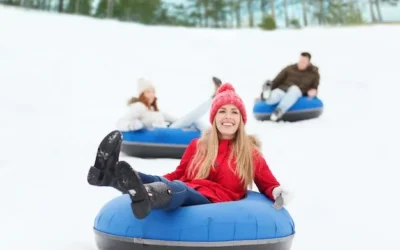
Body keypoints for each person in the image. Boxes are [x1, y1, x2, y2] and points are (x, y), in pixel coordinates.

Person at [87, 83, 292, 219]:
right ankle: (108, 175)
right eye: (222, 111)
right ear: (214, 118)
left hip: (215, 201)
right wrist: (153, 179)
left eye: (234, 112)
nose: (227, 117)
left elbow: (268, 183)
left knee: (180, 189)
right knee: (170, 183)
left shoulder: (250, 153)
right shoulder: (198, 145)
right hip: (187, 186)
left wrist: (277, 191)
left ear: (241, 119)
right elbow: (178, 174)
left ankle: (147, 196)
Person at [116, 77, 222, 132]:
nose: (152, 95)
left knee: (194, 120)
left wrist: (186, 122)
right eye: (148, 92)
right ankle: (213, 98)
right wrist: (131, 126)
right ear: (142, 94)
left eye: (153, 92)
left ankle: (214, 134)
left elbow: (175, 120)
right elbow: (121, 122)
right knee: (192, 118)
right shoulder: (139, 107)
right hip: (163, 132)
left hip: (168, 130)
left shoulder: (155, 109)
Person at [260, 52, 320, 122]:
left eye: (303, 62)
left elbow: (315, 87)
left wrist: (313, 91)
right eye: (300, 61)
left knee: (294, 89)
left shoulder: (314, 74)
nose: (301, 63)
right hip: (283, 89)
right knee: (276, 95)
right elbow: (276, 81)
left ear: (309, 62)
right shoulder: (289, 68)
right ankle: (266, 96)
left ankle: (279, 110)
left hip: (298, 92)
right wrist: (269, 87)